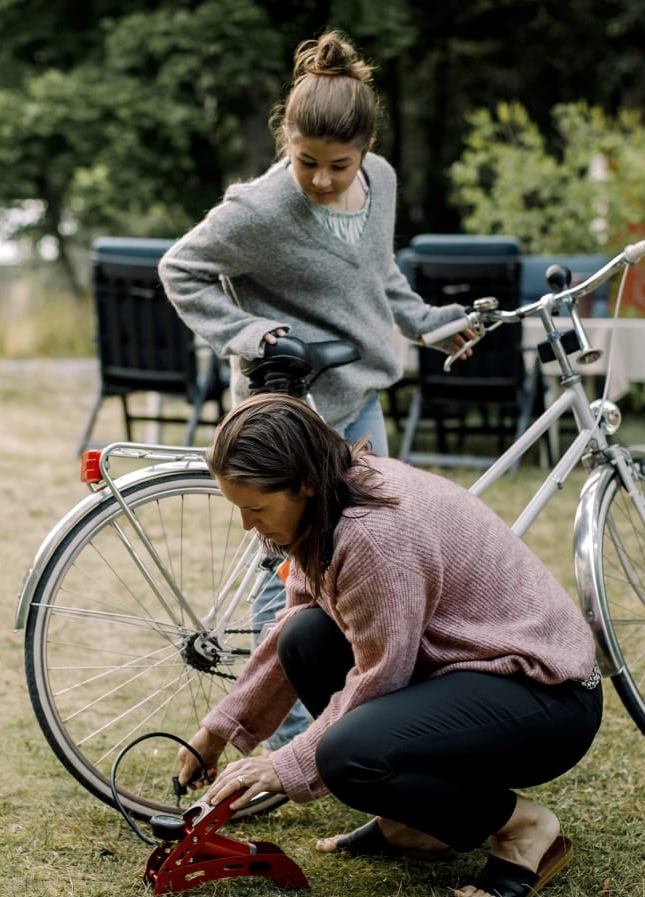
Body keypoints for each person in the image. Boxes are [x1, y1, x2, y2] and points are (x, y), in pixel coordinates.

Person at [159, 29, 470, 747]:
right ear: (285, 142)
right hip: (289, 415)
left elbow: (379, 275)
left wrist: (428, 324)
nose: (323, 179)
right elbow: (181, 269)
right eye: (306, 162)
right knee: (292, 577)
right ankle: (287, 740)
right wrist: (250, 334)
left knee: (373, 557)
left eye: (339, 164)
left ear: (365, 151)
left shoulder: (382, 181)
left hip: (359, 403)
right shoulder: (261, 208)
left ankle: (365, 716)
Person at [177, 394, 604, 897]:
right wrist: (220, 729)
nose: (247, 525)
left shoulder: (373, 536)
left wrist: (286, 765)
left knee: (347, 755)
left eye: (256, 509)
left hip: (547, 697)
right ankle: (416, 824)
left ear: (304, 483)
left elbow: (380, 677)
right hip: (471, 673)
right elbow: (292, 622)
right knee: (304, 638)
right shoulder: (325, 505)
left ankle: (526, 829)